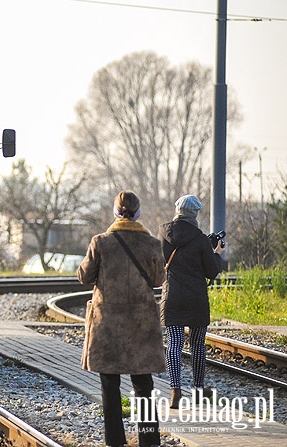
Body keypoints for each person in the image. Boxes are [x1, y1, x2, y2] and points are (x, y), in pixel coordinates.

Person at [78, 190, 165, 447]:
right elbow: (159, 280)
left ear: (115, 213)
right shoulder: (152, 244)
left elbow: (84, 276)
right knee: (143, 386)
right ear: (138, 214)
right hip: (141, 325)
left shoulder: (100, 242)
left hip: (108, 327)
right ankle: (149, 441)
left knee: (109, 386)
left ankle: (114, 441)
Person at [159, 194, 225, 407]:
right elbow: (212, 272)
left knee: (174, 345)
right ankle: (197, 389)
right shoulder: (199, 238)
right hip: (196, 298)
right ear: (195, 214)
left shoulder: (163, 233)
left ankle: (175, 390)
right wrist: (216, 253)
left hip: (173, 298)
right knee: (197, 346)